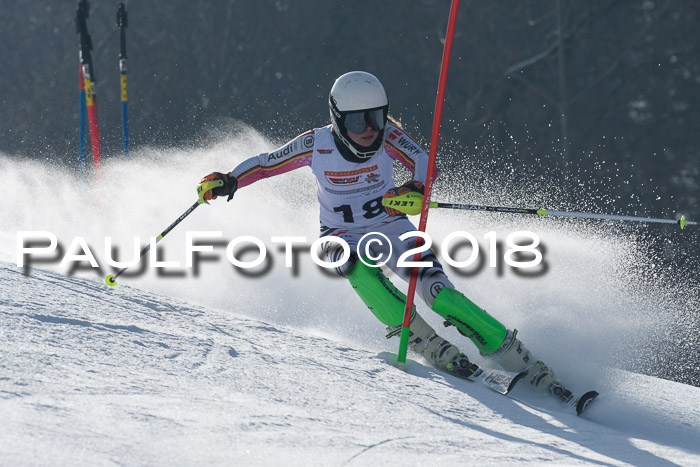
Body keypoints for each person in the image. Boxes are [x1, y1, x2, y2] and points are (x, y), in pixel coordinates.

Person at [199, 71, 571, 401]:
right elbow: (267, 163)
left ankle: (519, 358)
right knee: (352, 265)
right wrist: (230, 180)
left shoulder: (388, 136)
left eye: (376, 116)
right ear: (338, 118)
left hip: (393, 229)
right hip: (339, 235)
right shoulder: (317, 144)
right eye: (358, 120)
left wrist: (417, 188)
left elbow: (423, 162)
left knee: (443, 298)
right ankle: (425, 341)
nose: (370, 128)